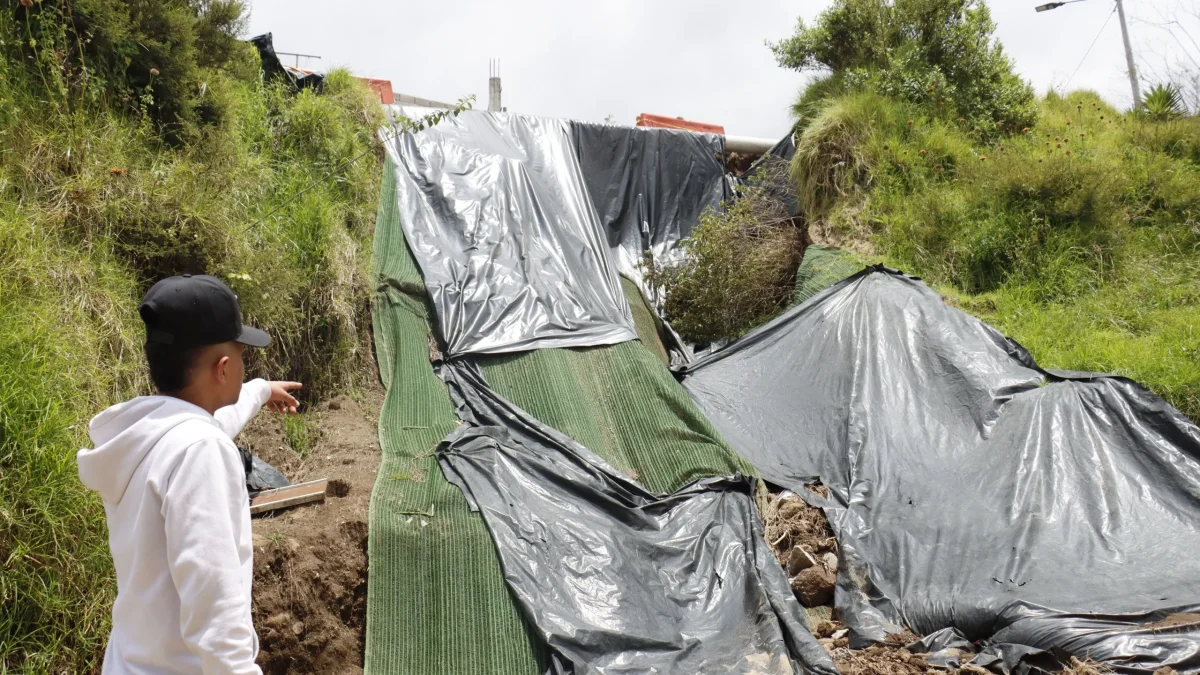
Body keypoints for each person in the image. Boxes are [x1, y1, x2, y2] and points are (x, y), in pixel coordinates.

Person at [77, 274, 302, 674]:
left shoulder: (147, 434)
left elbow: (211, 423)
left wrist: (259, 390)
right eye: (242, 356)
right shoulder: (200, 452)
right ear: (223, 368)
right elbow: (214, 606)